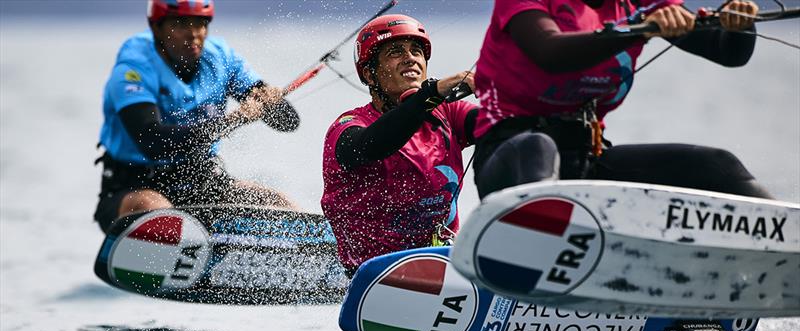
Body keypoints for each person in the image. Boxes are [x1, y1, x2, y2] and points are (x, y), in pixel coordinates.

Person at [472, 0, 772, 200]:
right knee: (538, 146)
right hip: (511, 161)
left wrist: (740, 23)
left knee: (718, 166)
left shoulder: (642, 4)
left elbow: (728, 52)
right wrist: (637, 28)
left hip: (586, 162)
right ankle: (538, 251)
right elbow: (549, 52)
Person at [94, 0, 300, 233]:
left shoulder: (222, 58)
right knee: (159, 212)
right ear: (157, 28)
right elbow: (152, 141)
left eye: (200, 24)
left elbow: (288, 122)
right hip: (136, 184)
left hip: (200, 179)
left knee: (279, 203)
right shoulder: (134, 66)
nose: (193, 34)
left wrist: (272, 103)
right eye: (181, 24)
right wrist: (230, 122)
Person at [321, 14, 478, 275]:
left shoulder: (448, 114)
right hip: (374, 278)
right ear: (370, 75)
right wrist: (431, 93)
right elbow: (373, 145)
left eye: (416, 51)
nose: (410, 58)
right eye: (395, 52)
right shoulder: (347, 126)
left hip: (444, 269)